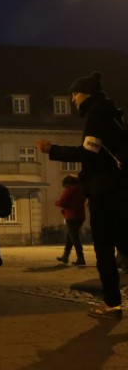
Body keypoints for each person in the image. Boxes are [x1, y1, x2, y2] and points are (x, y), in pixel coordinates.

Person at [37, 71, 128, 319]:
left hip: (105, 192)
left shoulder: (95, 115)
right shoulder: (113, 113)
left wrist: (52, 150)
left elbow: (90, 152)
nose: (73, 100)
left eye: (74, 94)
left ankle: (111, 303)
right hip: (120, 188)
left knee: (104, 248)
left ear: (85, 93)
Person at [55, 175, 86, 266]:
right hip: (80, 216)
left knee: (74, 238)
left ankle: (80, 258)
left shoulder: (69, 190)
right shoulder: (81, 189)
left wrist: (56, 202)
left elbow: (62, 202)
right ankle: (65, 256)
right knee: (71, 237)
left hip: (71, 216)